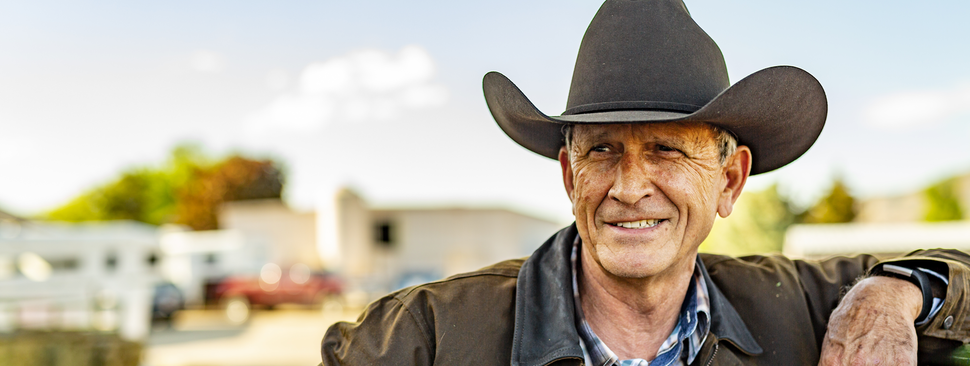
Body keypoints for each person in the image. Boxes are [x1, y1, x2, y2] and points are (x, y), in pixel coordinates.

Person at [321, 1, 970, 365]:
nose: (631, 186)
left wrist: (890, 294)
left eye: (665, 151)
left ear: (729, 180)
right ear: (571, 175)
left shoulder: (797, 304)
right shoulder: (424, 336)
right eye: (603, 151)